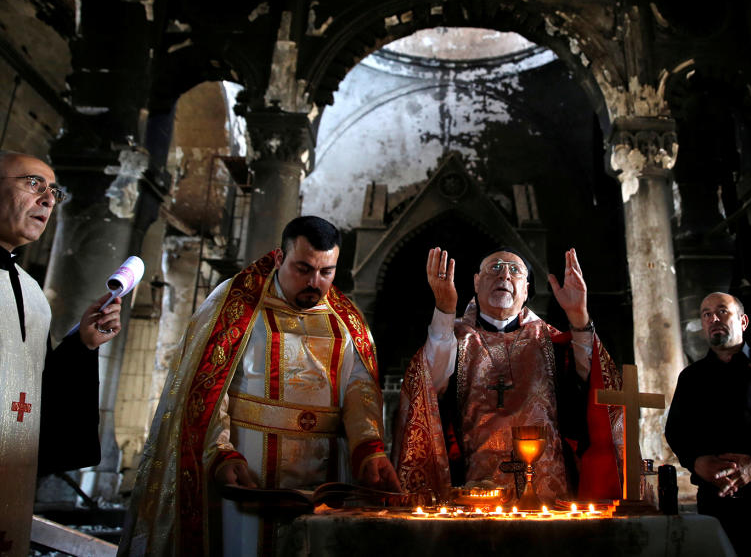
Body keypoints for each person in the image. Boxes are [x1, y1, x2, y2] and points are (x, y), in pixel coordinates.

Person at [120, 216, 398, 556]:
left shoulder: (347, 321)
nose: (315, 282)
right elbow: (206, 391)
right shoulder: (235, 305)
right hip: (249, 467)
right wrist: (220, 453)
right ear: (280, 258)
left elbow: (360, 391)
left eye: (326, 272)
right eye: (303, 268)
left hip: (326, 475)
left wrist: (369, 447)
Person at [392, 247, 624, 505]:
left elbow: (592, 386)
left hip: (550, 500)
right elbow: (428, 388)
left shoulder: (550, 341)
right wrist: (445, 310)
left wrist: (579, 317)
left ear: (525, 290)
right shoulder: (452, 337)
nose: (504, 275)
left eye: (515, 271)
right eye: (495, 268)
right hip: (471, 497)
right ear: (476, 283)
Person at [0, 151, 122, 557]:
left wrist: (81, 345)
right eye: (33, 183)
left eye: (54, 190)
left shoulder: (31, 292)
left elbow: (32, 388)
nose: (49, 199)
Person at [664, 292, 751, 557]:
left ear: (743, 321)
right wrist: (695, 461)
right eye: (706, 314)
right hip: (717, 502)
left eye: (722, 311)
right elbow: (676, 431)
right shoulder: (691, 377)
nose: (713, 318)